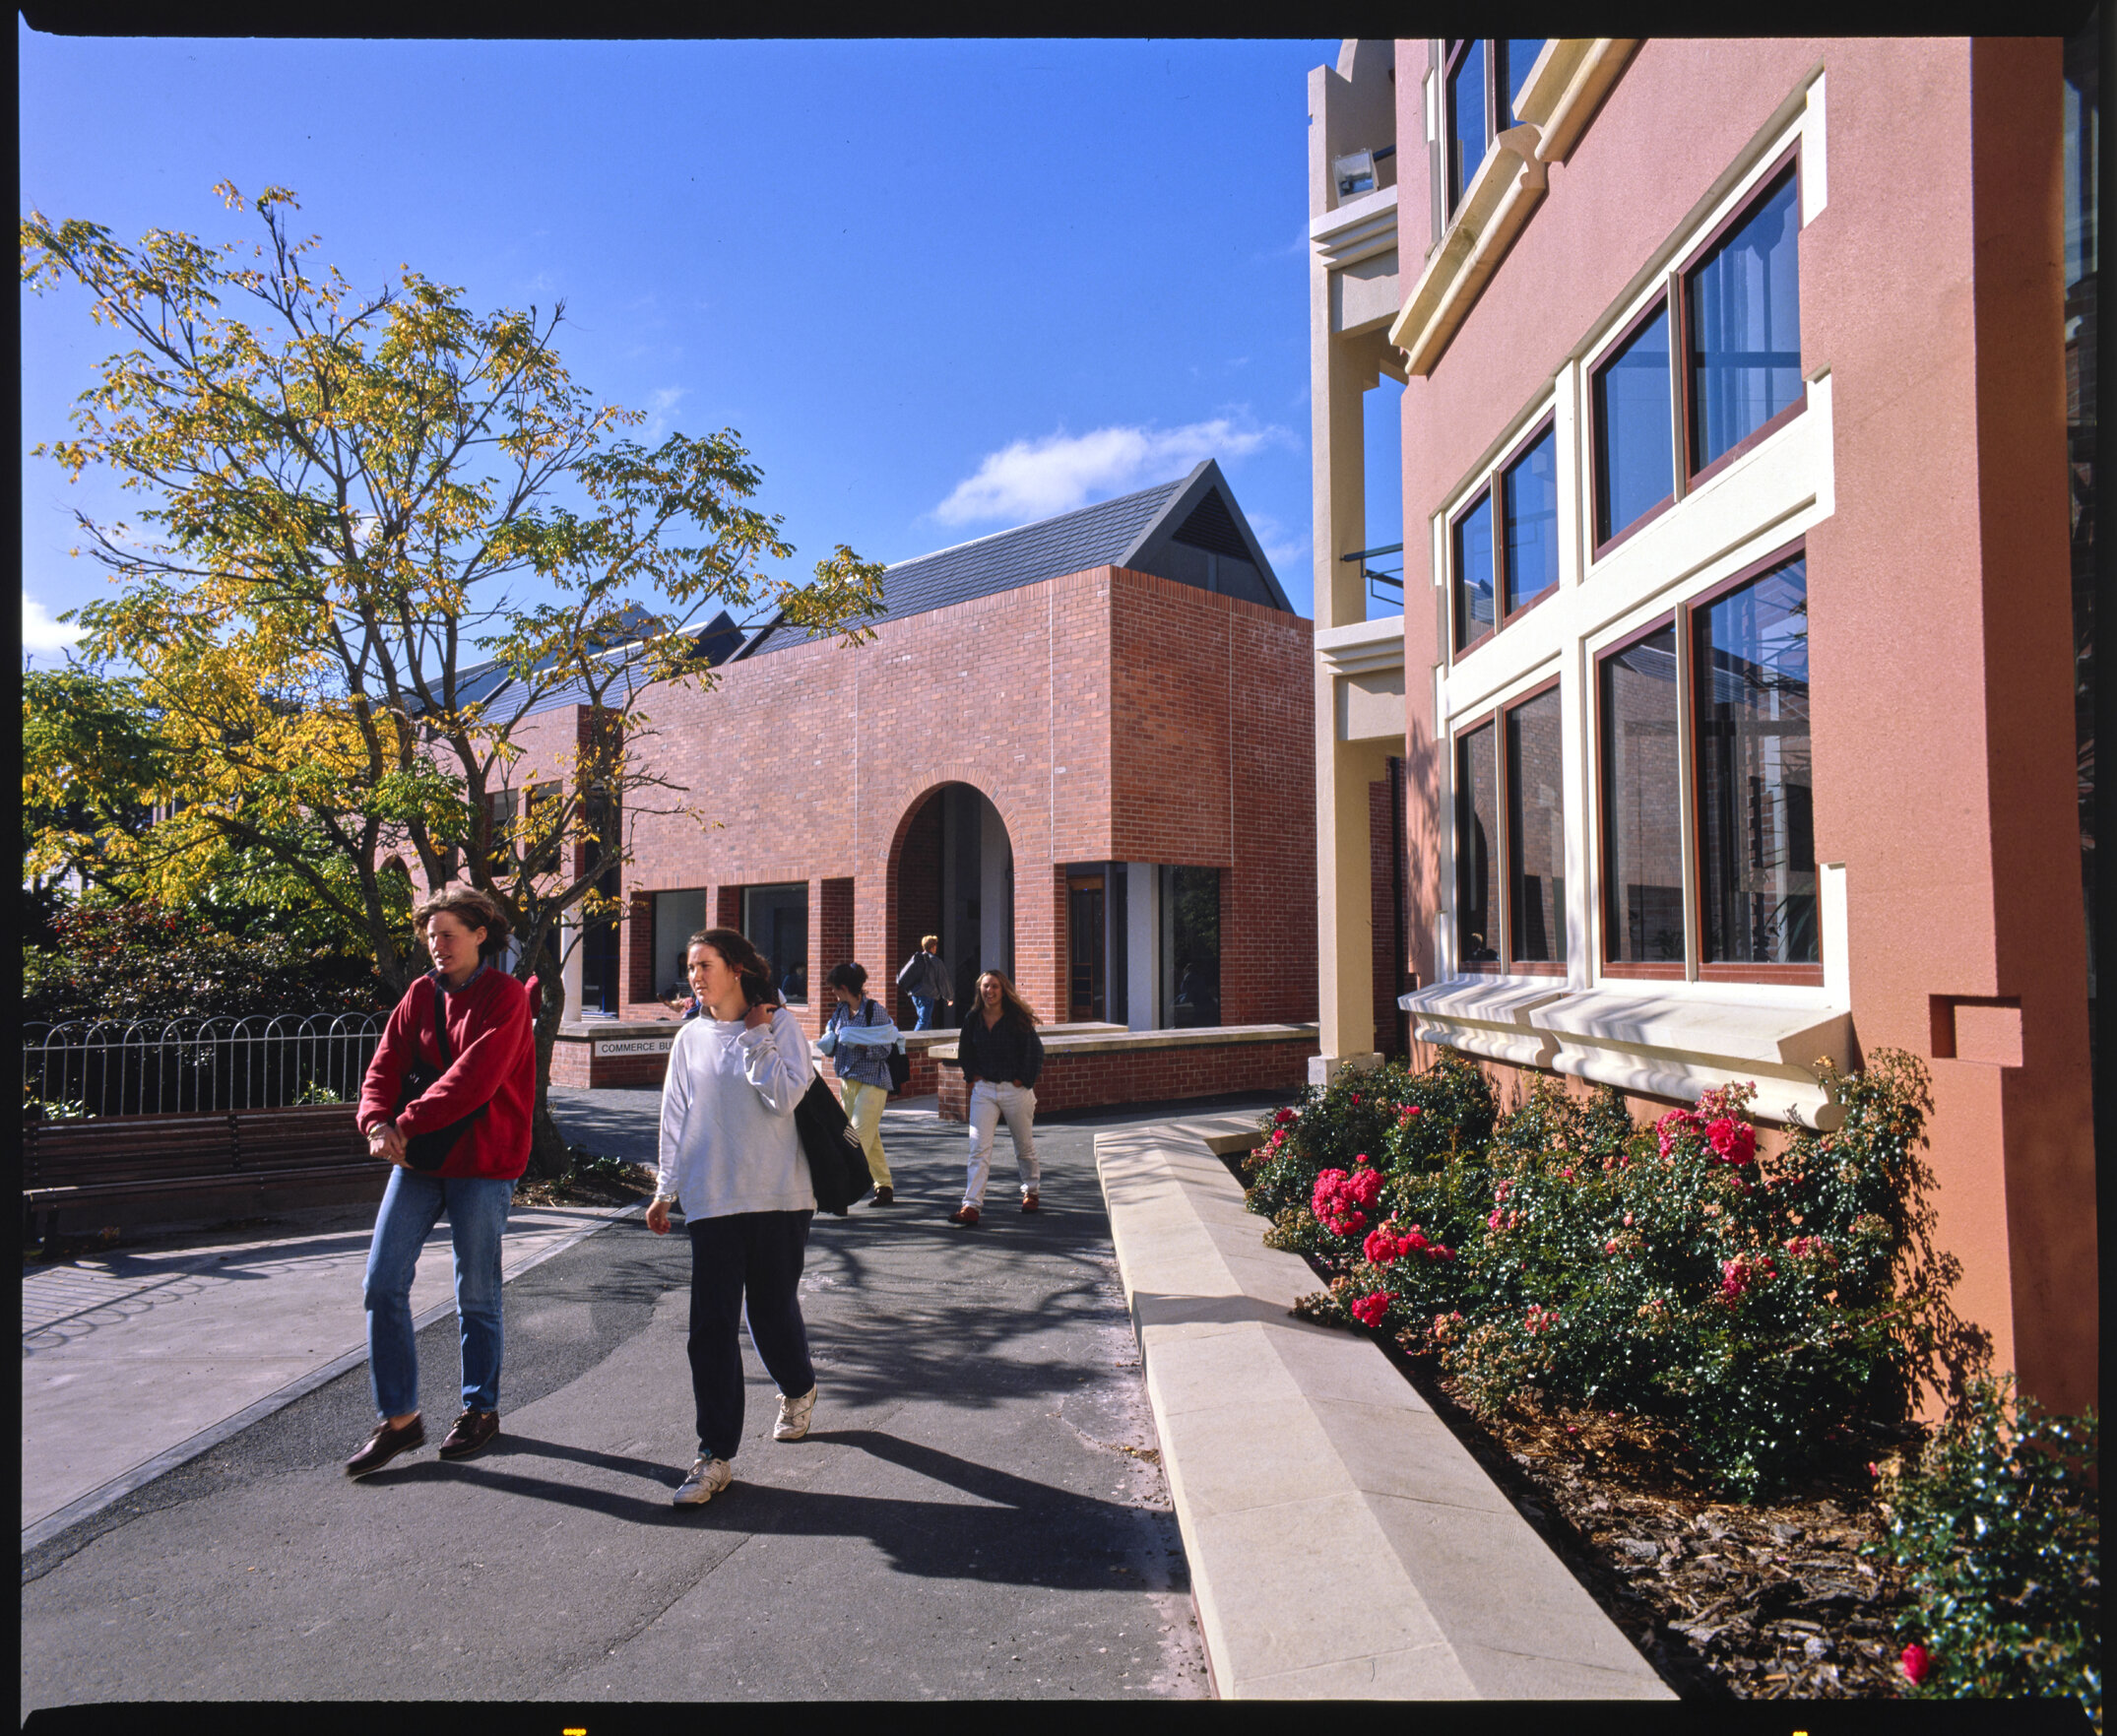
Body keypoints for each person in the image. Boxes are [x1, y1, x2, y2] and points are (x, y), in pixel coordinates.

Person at [347, 887, 536, 1477]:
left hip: (482, 1162)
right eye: (431, 936)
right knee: (382, 1282)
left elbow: (472, 1081)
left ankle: (480, 1409)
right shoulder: (419, 995)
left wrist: (402, 1121)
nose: (437, 945)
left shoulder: (504, 998)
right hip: (422, 1161)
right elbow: (384, 1064)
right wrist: (375, 1119)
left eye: (449, 933)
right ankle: (399, 1420)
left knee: (475, 1292)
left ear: (481, 934)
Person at [647, 927, 819, 1506]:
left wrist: (756, 1036)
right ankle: (714, 1454)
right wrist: (664, 1190)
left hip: (778, 1197)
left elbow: (785, 1097)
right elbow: (675, 1116)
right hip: (714, 1199)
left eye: (705, 965)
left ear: (737, 969)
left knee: (770, 1311)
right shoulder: (689, 1039)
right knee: (711, 1328)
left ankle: (798, 1388)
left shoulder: (781, 1026)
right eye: (689, 966)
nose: (695, 976)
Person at [949, 969, 1044, 1228]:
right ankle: (971, 1205)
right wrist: (973, 1076)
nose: (989, 992)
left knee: (1023, 1145)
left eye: (994, 987)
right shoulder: (972, 1019)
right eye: (985, 986)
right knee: (978, 1148)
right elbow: (965, 1051)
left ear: (1004, 991)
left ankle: (1031, 1191)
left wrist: (1022, 1080)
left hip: (1015, 1091)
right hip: (985, 1091)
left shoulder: (1017, 1018)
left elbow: (1035, 1052)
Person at [819, 962, 902, 1206]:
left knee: (854, 1137)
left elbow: (885, 1048)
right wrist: (830, 1042)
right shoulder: (841, 1011)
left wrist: (859, 1043)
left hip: (872, 1082)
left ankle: (839, 1191)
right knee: (869, 1136)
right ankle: (884, 1186)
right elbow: (834, 1043)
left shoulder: (874, 1011)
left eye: (835, 989)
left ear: (844, 987)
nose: (834, 993)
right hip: (847, 1082)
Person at [896, 933, 950, 1030]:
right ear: (933, 947)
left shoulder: (918, 958)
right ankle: (913, 1043)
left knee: (927, 1020)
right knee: (924, 1021)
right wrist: (948, 996)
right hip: (927, 995)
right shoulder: (935, 961)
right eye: (935, 945)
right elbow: (943, 980)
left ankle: (927, 1042)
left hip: (915, 994)